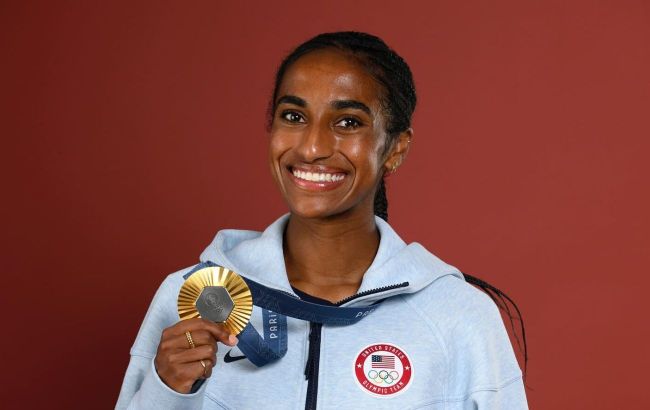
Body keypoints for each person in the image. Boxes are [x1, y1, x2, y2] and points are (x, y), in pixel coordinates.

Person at [116, 31, 528, 409]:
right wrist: (165, 391)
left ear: (396, 149)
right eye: (294, 116)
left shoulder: (457, 316)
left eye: (348, 122)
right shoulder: (195, 297)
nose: (312, 147)